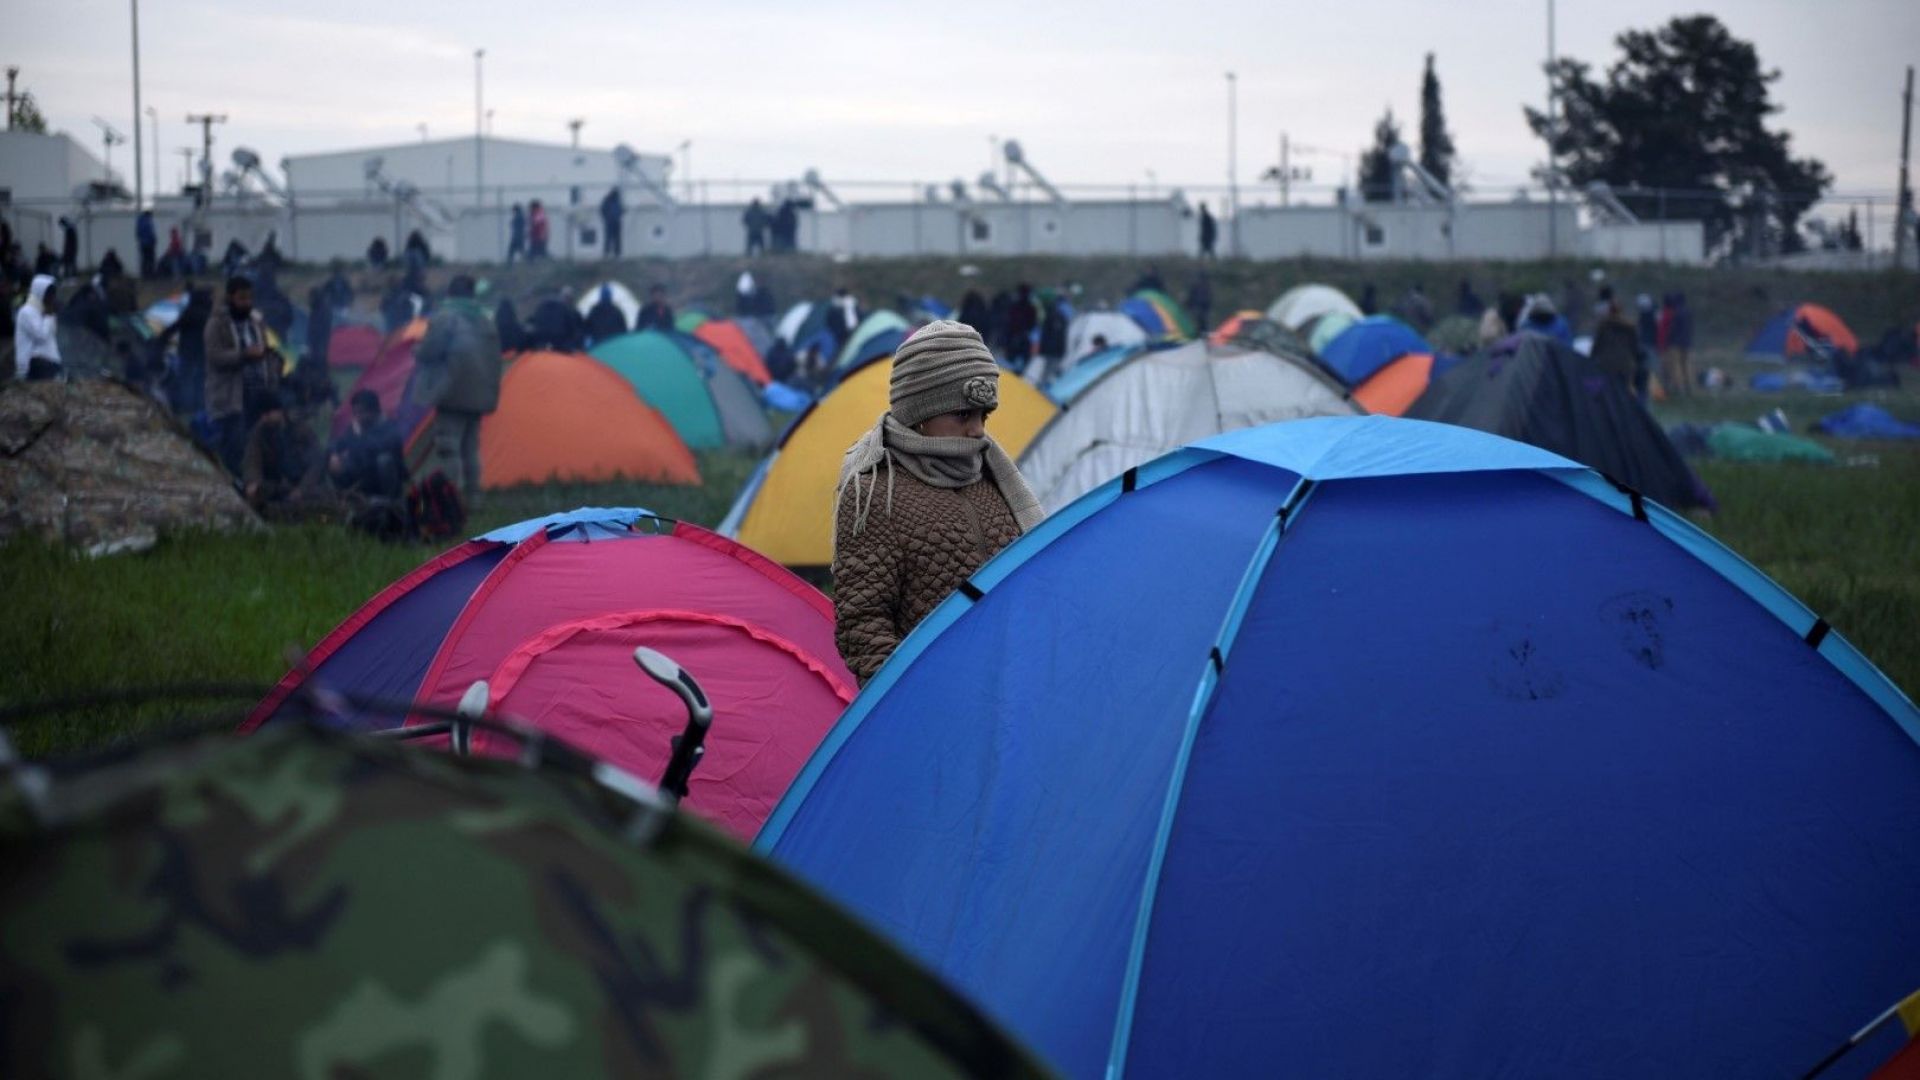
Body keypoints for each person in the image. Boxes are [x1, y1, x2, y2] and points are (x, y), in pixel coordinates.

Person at [831, 320, 1044, 683]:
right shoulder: (874, 492)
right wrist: (911, 700)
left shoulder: (994, 477)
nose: (977, 430)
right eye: (963, 414)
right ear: (920, 414)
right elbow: (863, 624)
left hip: (1013, 686)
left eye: (983, 415)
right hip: (932, 700)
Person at [410, 274, 502, 501]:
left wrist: (417, 351)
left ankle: (450, 499)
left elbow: (430, 351)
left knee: (448, 447)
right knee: (470, 448)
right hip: (479, 395)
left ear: (451, 293)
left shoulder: (445, 318)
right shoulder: (486, 319)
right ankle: (474, 498)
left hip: (451, 392)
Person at [204, 276, 279, 475]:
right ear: (230, 298)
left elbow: (264, 349)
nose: (246, 303)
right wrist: (244, 355)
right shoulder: (216, 324)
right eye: (241, 298)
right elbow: (214, 356)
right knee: (234, 446)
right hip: (232, 396)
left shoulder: (256, 322)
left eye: (249, 298)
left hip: (257, 393)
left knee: (257, 443)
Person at [240, 387, 323, 513]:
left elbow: (317, 462)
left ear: (279, 411)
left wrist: (302, 490)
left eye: (267, 414)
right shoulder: (259, 432)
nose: (264, 419)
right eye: (262, 415)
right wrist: (252, 481)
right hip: (278, 486)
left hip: (303, 484)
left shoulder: (301, 430)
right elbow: (251, 459)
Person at [327, 389, 406, 498]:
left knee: (384, 460)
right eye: (355, 413)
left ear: (374, 411)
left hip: (380, 479)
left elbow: (372, 452)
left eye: (361, 412)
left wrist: (359, 437)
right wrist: (334, 455)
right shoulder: (358, 427)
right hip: (361, 475)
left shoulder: (389, 428)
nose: (357, 417)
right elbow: (338, 442)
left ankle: (389, 500)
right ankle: (348, 497)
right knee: (330, 457)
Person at [13, 275, 62, 381]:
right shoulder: (26, 312)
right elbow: (41, 335)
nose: (52, 298)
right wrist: (49, 315)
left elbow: (52, 334)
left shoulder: (44, 310)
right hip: (31, 365)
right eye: (49, 295)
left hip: (48, 361)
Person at [1589, 301, 1640, 391]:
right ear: (1621, 312)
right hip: (1625, 364)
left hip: (1606, 364)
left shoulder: (1604, 326)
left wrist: (1590, 361)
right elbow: (1634, 348)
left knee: (1607, 391)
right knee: (1625, 390)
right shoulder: (1630, 328)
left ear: (1609, 312)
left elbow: (1596, 347)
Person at [1004, 283, 1036, 372]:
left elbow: (1008, 323)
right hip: (1024, 339)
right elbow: (1033, 324)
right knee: (1022, 365)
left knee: (1009, 363)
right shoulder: (1031, 308)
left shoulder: (1013, 307)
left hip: (1012, 339)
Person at [1634, 294, 1660, 404]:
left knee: (1650, 368)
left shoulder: (1650, 314)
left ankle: (1653, 389)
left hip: (1650, 344)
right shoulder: (1651, 313)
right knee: (1648, 368)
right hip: (1648, 344)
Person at [600, 186, 625, 258]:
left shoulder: (617, 201)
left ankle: (616, 254)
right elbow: (602, 210)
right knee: (609, 238)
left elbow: (620, 210)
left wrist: (622, 212)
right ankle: (607, 253)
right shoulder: (608, 200)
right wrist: (606, 218)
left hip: (616, 221)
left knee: (617, 238)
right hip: (610, 222)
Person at [1185, 272, 1213, 336]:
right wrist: (1188, 304)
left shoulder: (1205, 286)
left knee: (1201, 319)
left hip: (1202, 305)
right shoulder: (1199, 286)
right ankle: (1200, 331)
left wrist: (1188, 304)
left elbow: (1208, 298)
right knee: (1199, 319)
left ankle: (1202, 331)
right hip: (1199, 305)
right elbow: (1191, 295)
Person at [136, 211, 158, 279]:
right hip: (149, 244)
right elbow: (151, 232)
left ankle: (144, 274)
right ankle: (150, 274)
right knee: (150, 259)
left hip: (142, 244)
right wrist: (154, 240)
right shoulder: (148, 221)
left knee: (144, 260)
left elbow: (138, 234)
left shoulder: (139, 221)